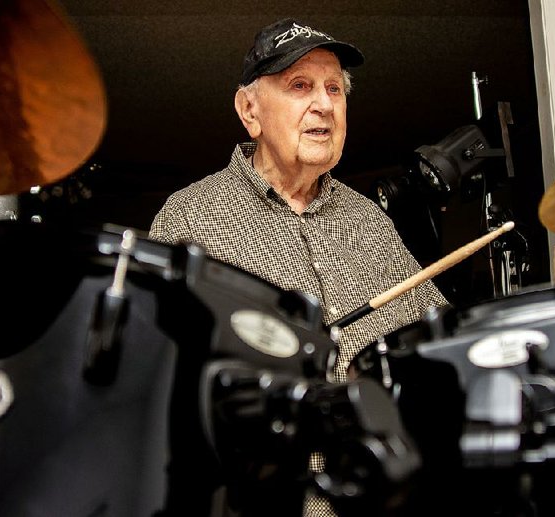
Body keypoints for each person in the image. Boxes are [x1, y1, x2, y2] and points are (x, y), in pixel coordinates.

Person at [148, 18, 449, 517]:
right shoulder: (189, 218)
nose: (325, 105)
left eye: (334, 88)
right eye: (300, 86)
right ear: (250, 111)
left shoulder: (372, 223)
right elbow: (160, 381)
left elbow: (434, 348)